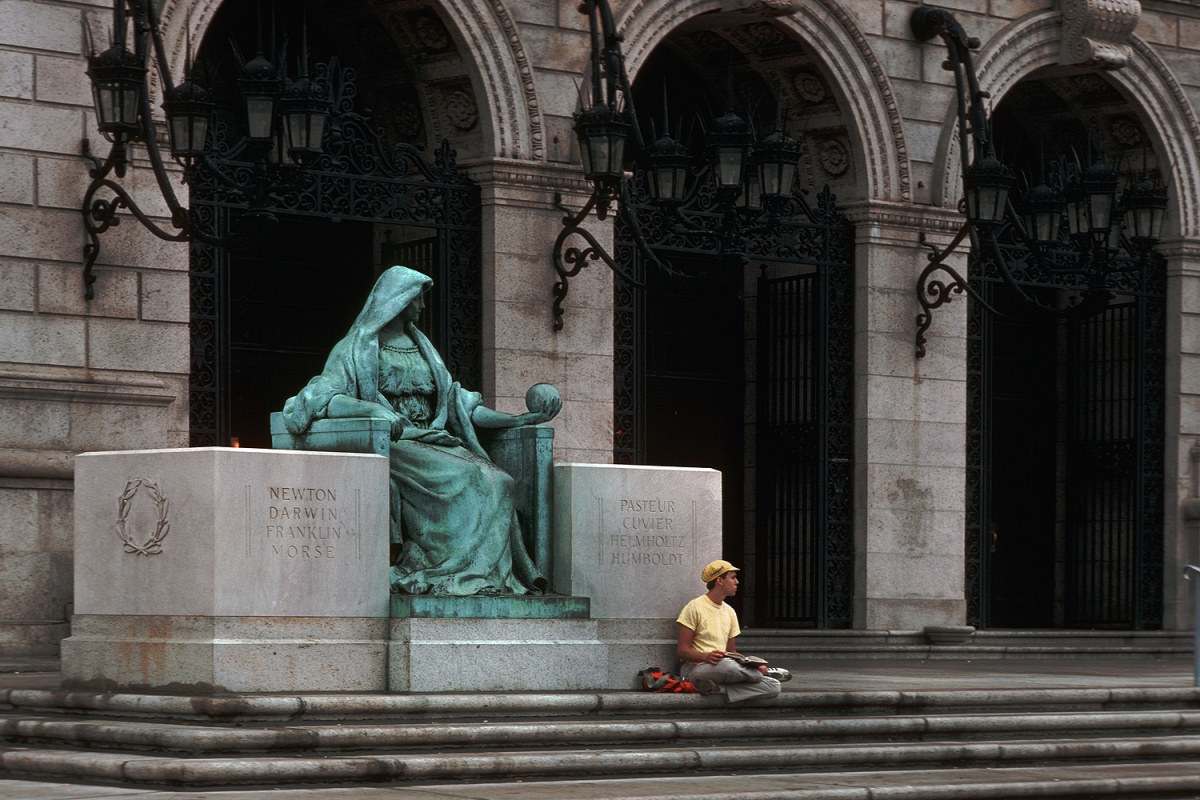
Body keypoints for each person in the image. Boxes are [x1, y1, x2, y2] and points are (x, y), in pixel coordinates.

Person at [280, 265, 561, 596]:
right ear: (399, 301)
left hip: (435, 440)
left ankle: (479, 573)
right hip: (395, 443)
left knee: (500, 480)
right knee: (469, 479)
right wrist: (372, 409)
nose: (423, 307)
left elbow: (462, 405)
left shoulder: (423, 347)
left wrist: (517, 420)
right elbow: (319, 397)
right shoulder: (356, 348)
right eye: (418, 299)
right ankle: (452, 570)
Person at [676, 559, 788, 702]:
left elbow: (731, 652)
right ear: (720, 581)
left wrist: (750, 662)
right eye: (733, 577)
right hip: (697, 669)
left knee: (773, 686)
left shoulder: (730, 611)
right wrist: (706, 657)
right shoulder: (694, 607)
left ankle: (718, 690)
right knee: (729, 666)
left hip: (724, 667)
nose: (737, 582)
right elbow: (681, 651)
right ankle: (757, 674)